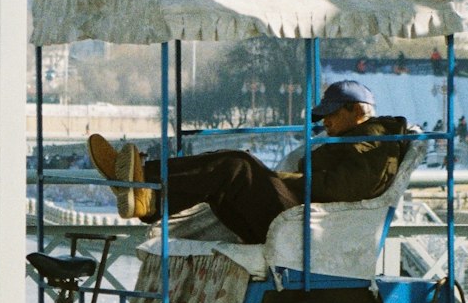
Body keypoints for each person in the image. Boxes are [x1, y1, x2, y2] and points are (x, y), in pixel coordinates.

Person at [87, 79, 411, 246]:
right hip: (300, 214)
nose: (325, 121)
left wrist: (278, 179)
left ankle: (147, 185)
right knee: (228, 174)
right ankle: (147, 190)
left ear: (356, 111)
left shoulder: (374, 140)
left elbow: (339, 189)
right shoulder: (357, 138)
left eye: (331, 114)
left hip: (306, 226)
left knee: (237, 165)